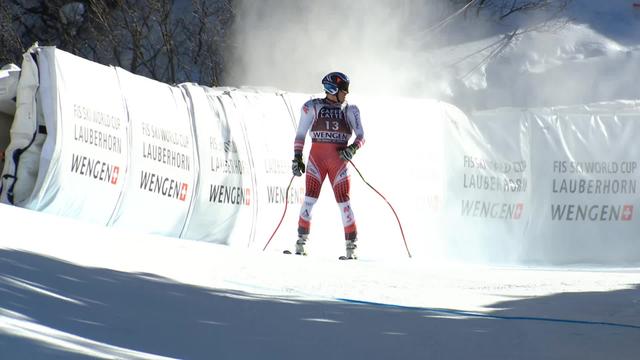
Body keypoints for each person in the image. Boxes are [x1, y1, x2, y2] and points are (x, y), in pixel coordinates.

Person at [291, 71, 365, 259]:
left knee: (344, 202)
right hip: (317, 160)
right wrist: (297, 157)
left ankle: (352, 246)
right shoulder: (312, 107)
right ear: (333, 89)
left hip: (338, 163)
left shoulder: (350, 109)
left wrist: (353, 149)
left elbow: (361, 136)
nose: (347, 93)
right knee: (309, 199)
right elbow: (300, 134)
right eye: (344, 89)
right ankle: (301, 242)